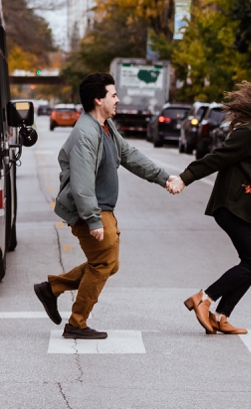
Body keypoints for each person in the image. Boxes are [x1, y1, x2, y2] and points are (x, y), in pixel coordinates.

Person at [34, 72, 183, 340]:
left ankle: (52, 288)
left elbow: (129, 155)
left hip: (103, 208)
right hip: (91, 210)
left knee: (108, 264)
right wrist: (92, 220)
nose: (117, 100)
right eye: (113, 95)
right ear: (97, 100)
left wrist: (163, 177)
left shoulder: (105, 126)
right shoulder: (85, 134)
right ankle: (76, 323)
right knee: (103, 263)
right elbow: (81, 183)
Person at [175, 82, 251, 336]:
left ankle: (221, 316)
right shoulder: (250, 133)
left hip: (248, 206)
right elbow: (217, 158)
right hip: (231, 205)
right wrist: (185, 178)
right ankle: (204, 298)